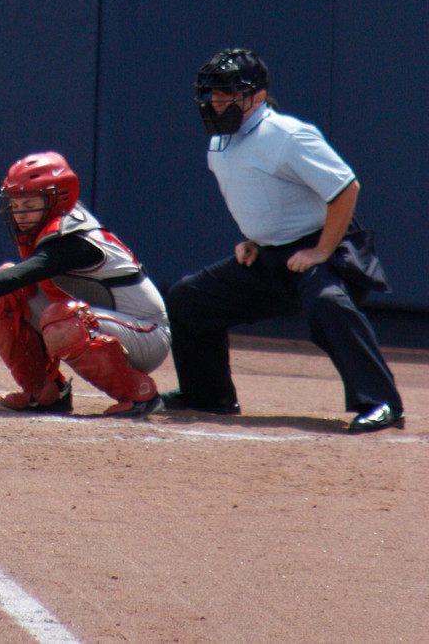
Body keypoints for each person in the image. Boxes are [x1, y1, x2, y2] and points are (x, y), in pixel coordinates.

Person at [161, 47, 404, 433]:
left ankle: (382, 402)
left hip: (322, 246)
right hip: (268, 255)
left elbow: (345, 188)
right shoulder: (220, 143)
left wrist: (321, 250)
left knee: (328, 304)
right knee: (188, 299)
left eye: (228, 93)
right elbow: (259, 198)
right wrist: (253, 240)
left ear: (257, 96)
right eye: (213, 93)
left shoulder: (288, 135)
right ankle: (208, 395)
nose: (217, 102)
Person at [0, 151, 171, 418]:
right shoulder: (53, 228)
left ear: (59, 198)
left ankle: (139, 393)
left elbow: (30, 271)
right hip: (109, 321)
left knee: (63, 319)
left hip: (147, 332)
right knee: (1, 292)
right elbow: (23, 277)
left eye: (30, 205)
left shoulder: (73, 236)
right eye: (16, 206)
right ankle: (44, 391)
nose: (20, 215)